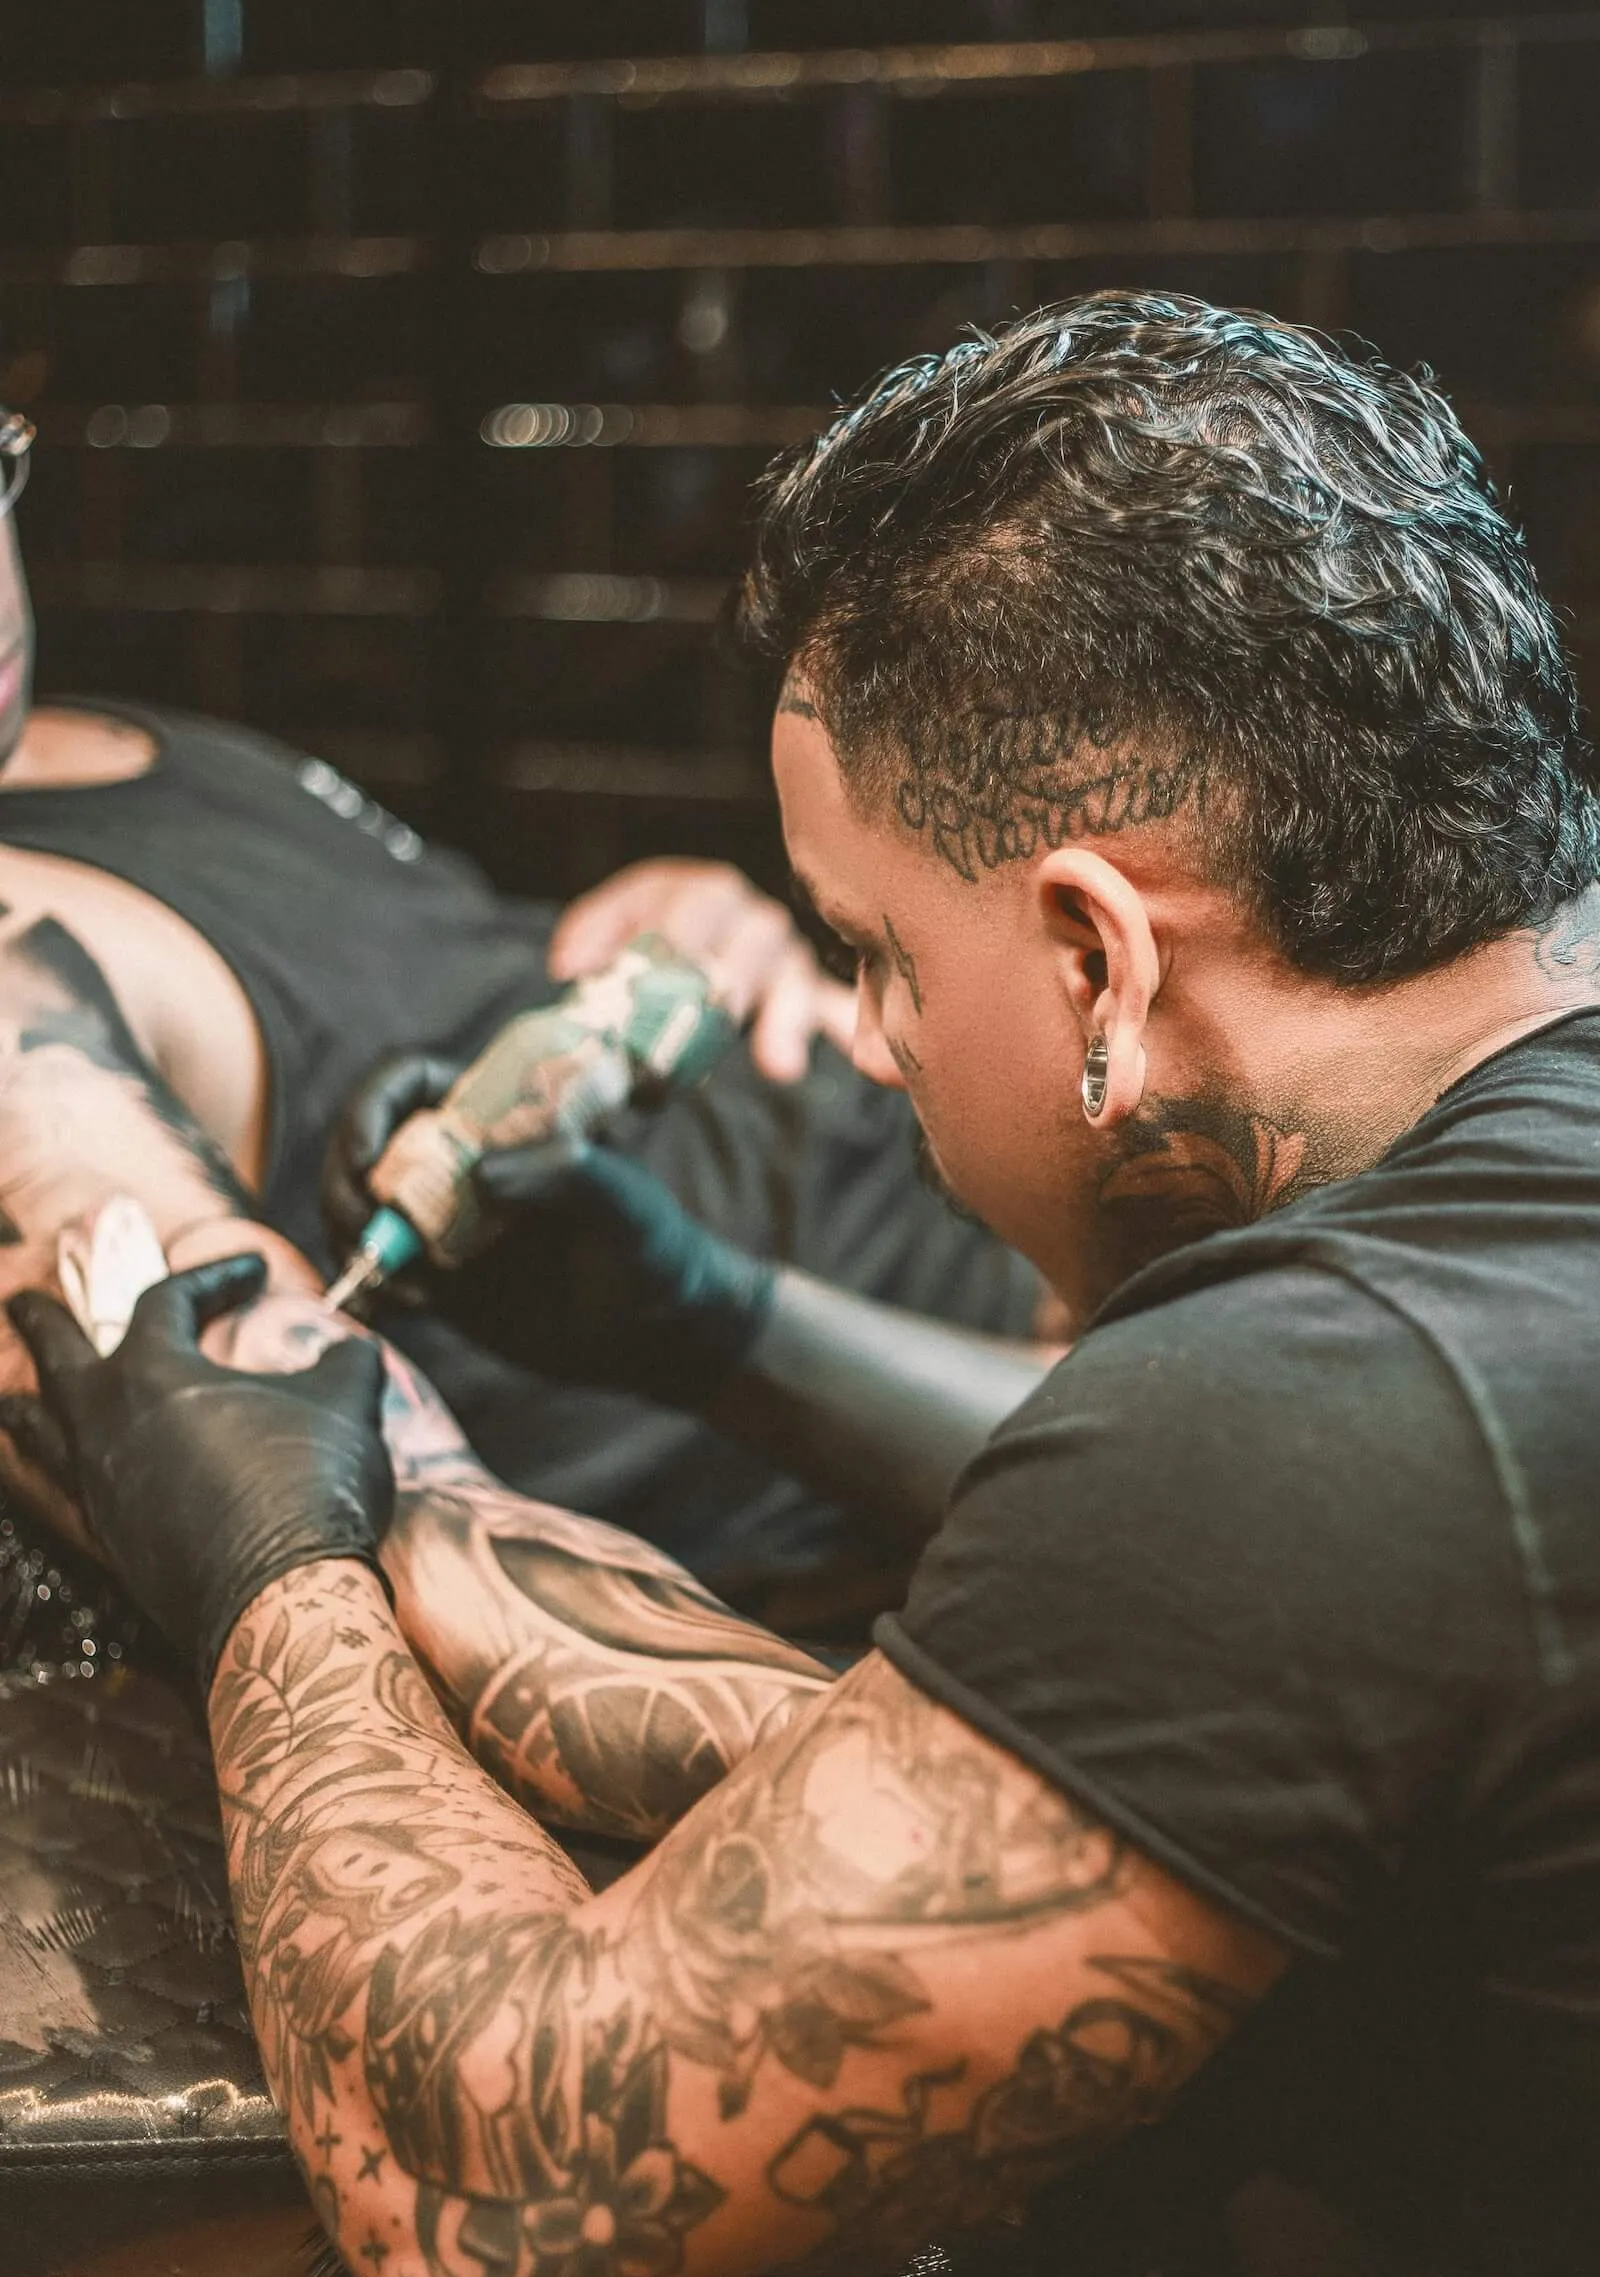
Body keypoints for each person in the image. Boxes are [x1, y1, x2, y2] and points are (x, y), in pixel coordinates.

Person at [15, 292, 1600, 2277]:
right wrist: (709, 1319)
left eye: (878, 951)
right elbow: (1332, 1617)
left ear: (1095, 956)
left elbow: (514, 2203)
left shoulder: (1318, 1417)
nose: (869, 1032)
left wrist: (267, 1563)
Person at [0, 416, 1050, 1606]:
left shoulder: (115, 741)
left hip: (1014, 1212)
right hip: (940, 1413)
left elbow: (447, 973)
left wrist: (694, 942)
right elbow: (1150, 1487)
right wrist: (712, 1324)